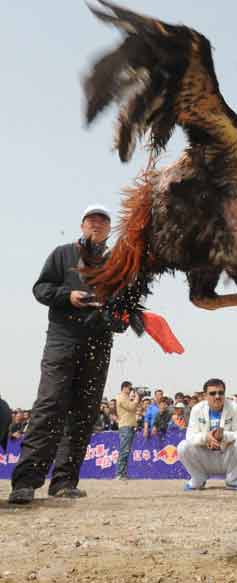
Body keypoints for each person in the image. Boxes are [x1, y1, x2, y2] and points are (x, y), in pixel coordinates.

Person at [9, 205, 119, 505]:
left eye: (103, 221)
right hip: (62, 340)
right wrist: (67, 296)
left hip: (99, 342)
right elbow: (40, 288)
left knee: (83, 414)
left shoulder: (117, 262)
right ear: (82, 225)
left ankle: (64, 481)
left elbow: (124, 307)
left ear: (110, 229)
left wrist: (117, 314)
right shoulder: (62, 254)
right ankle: (26, 482)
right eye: (91, 220)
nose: (97, 224)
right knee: (49, 405)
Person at [177, 378, 237, 491]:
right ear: (205, 395)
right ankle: (198, 479)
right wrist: (206, 437)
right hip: (205, 456)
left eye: (220, 393)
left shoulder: (235, 408)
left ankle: (234, 480)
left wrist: (223, 436)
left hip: (227, 456)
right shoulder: (197, 409)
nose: (217, 396)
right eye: (212, 393)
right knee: (183, 446)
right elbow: (190, 437)